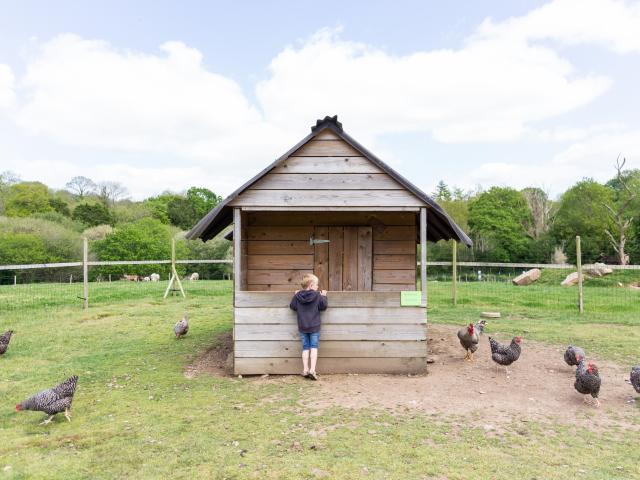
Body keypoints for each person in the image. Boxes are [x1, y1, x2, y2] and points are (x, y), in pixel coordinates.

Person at [289, 273, 328, 380]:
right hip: (314, 326)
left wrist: (295, 295)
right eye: (316, 285)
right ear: (311, 285)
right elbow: (323, 307)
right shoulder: (317, 295)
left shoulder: (298, 296)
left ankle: (305, 370)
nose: (317, 287)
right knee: (314, 347)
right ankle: (312, 370)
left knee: (305, 348)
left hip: (302, 326)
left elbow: (292, 306)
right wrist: (324, 296)